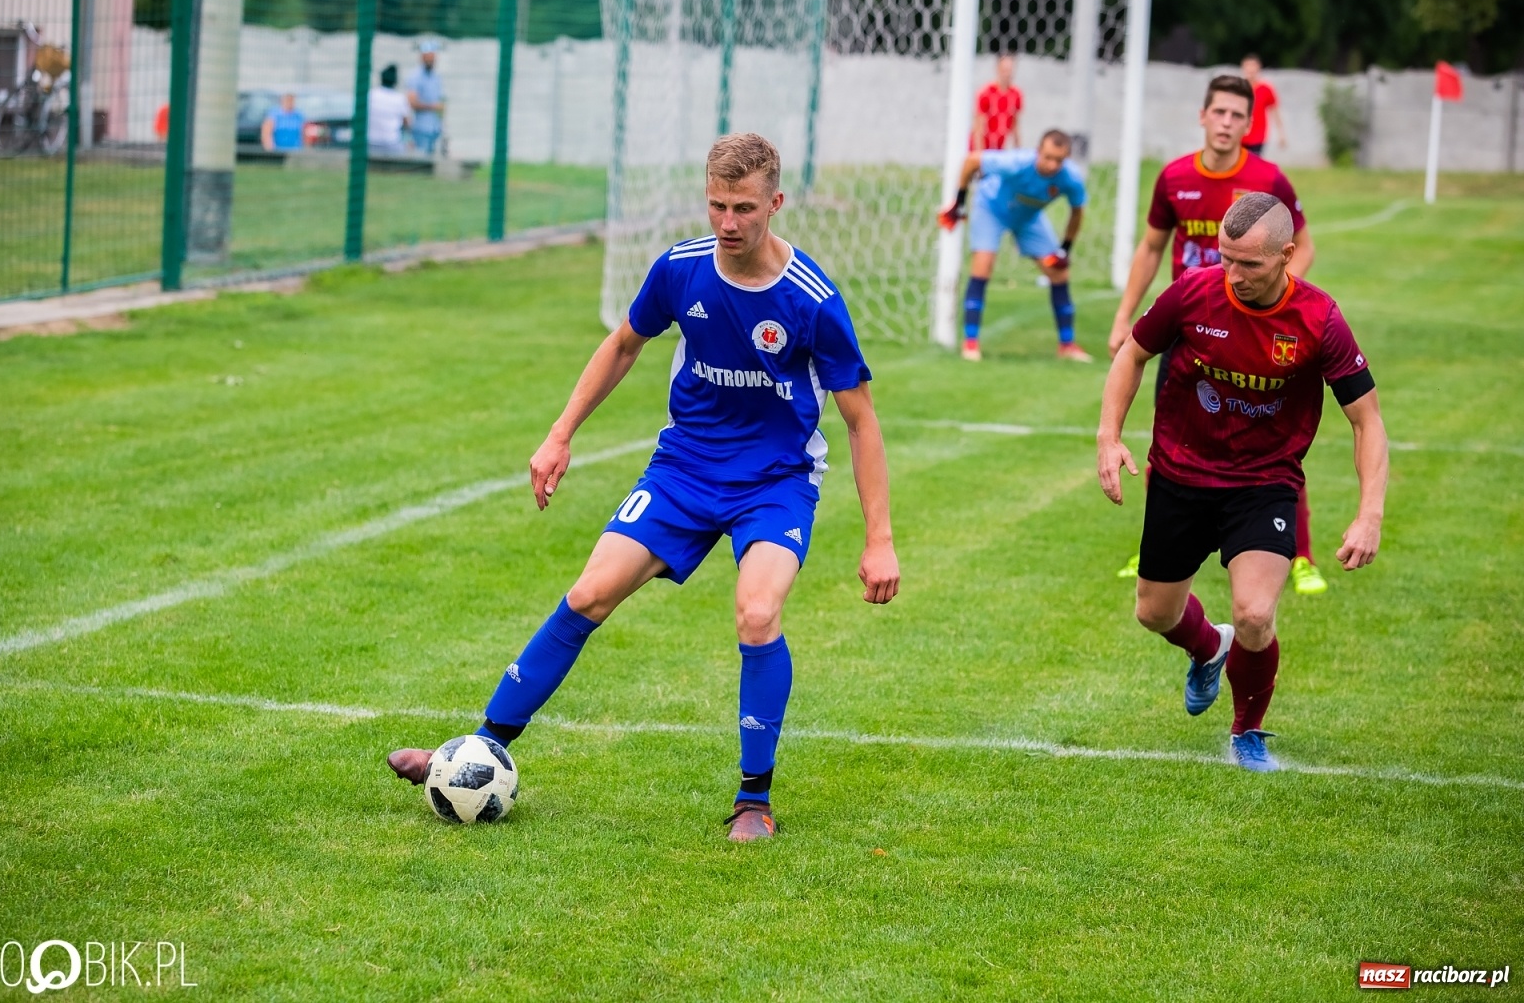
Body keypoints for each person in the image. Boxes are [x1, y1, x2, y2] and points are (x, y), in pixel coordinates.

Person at [386, 133, 901, 842]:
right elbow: (623, 344)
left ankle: (755, 799)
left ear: (775, 204)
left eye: (744, 208)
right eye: (717, 204)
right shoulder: (681, 271)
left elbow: (860, 420)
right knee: (588, 593)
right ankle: (478, 749)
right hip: (685, 469)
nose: (728, 222)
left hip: (775, 484)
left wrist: (880, 541)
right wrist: (560, 433)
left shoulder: (811, 300)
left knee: (757, 613)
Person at [1096, 192, 1387, 772]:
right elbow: (1132, 354)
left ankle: (1246, 731)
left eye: (1248, 264)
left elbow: (1367, 420)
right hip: (1180, 475)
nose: (1232, 274)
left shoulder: (1319, 320)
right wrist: (1109, 435)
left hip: (1264, 482)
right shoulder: (1194, 293)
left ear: (1287, 254)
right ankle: (1209, 647)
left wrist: (1370, 511)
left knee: (1255, 613)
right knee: (1154, 612)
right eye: (1226, 258)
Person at [1107, 73, 1328, 595]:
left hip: (1255, 332)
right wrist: (1125, 315)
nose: (1226, 123)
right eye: (1219, 113)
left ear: (1250, 125)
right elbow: (1151, 248)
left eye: (1237, 115)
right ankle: (1158, 545)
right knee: (1171, 438)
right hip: (1189, 329)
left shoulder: (1269, 181)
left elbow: (1303, 245)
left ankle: (1300, 554)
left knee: (1272, 443)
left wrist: (1282, 307)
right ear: (1202, 116)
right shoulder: (1174, 177)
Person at [937, 129, 1091, 363]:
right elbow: (972, 160)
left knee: (1059, 272)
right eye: (1047, 157)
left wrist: (1065, 249)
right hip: (992, 209)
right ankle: (970, 342)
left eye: (1058, 160)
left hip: (1029, 218)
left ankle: (1067, 345)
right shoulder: (1016, 163)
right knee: (983, 265)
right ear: (1037, 152)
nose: (1051, 165)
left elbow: (1077, 212)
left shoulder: (1070, 179)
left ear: (1066, 159)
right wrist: (959, 202)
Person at [970, 54, 1022, 151]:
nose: (1007, 74)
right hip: (981, 147)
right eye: (1004, 70)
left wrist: (1018, 149)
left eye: (1010, 70)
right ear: (997, 69)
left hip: (999, 148)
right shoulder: (985, 93)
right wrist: (980, 154)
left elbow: (1015, 125)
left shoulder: (1016, 94)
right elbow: (978, 127)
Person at [1240, 54, 1285, 157]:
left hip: (1258, 135)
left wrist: (1281, 133)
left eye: (1253, 66)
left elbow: (1275, 111)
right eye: (1248, 66)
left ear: (1258, 68)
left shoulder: (1266, 89)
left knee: (1254, 164)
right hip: (1240, 134)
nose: (1250, 69)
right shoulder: (1239, 88)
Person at [408, 41, 446, 155]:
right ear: (422, 58)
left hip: (435, 127)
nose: (431, 60)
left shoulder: (436, 77)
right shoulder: (415, 77)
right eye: (428, 57)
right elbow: (412, 103)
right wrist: (433, 107)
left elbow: (441, 102)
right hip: (421, 127)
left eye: (433, 57)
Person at [367, 64, 412, 156]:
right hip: (392, 143)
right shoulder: (400, 98)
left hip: (370, 141)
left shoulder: (371, 94)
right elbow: (407, 123)